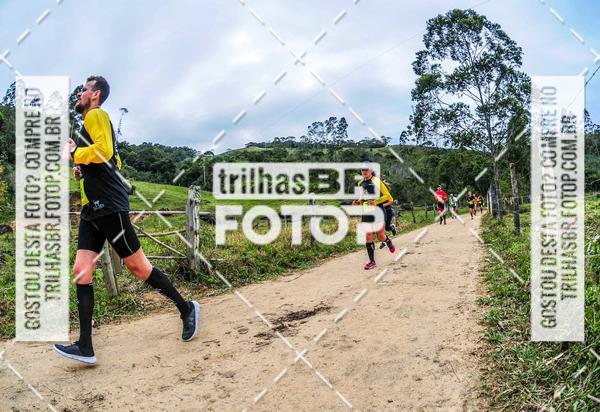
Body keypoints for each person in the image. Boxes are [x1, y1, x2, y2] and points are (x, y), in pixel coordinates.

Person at [54, 76, 199, 364]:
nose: (80, 93)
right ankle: (85, 346)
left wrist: (75, 152)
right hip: (91, 210)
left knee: (138, 267)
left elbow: (105, 152)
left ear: (96, 94)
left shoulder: (96, 115)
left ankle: (187, 309)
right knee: (82, 271)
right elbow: (115, 161)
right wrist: (81, 166)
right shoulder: (88, 124)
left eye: (84, 89)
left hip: (109, 206)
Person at [353, 165, 395, 270]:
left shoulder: (376, 181)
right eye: (362, 170)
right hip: (366, 212)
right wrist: (358, 202)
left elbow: (388, 197)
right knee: (368, 237)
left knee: (380, 237)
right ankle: (372, 261)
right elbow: (362, 197)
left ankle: (388, 241)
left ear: (371, 170)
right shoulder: (360, 183)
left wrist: (375, 202)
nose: (364, 171)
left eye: (366, 170)